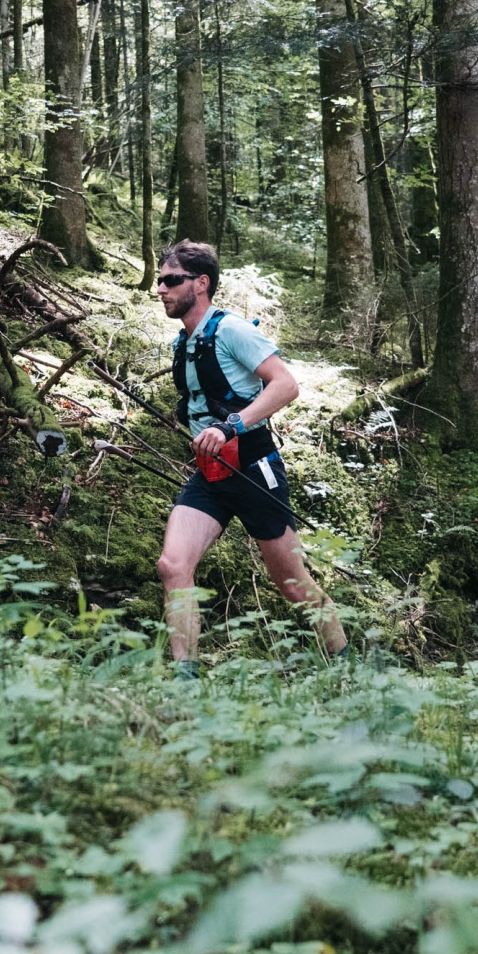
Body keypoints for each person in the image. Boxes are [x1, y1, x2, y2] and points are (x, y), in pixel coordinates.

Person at [152, 241, 349, 677]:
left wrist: (229, 426)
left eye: (171, 280)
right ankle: (185, 681)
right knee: (173, 565)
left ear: (201, 284)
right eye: (159, 280)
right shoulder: (183, 343)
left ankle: (348, 666)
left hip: (255, 469)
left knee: (293, 586)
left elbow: (285, 385)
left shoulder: (232, 330)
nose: (161, 289)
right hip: (210, 474)